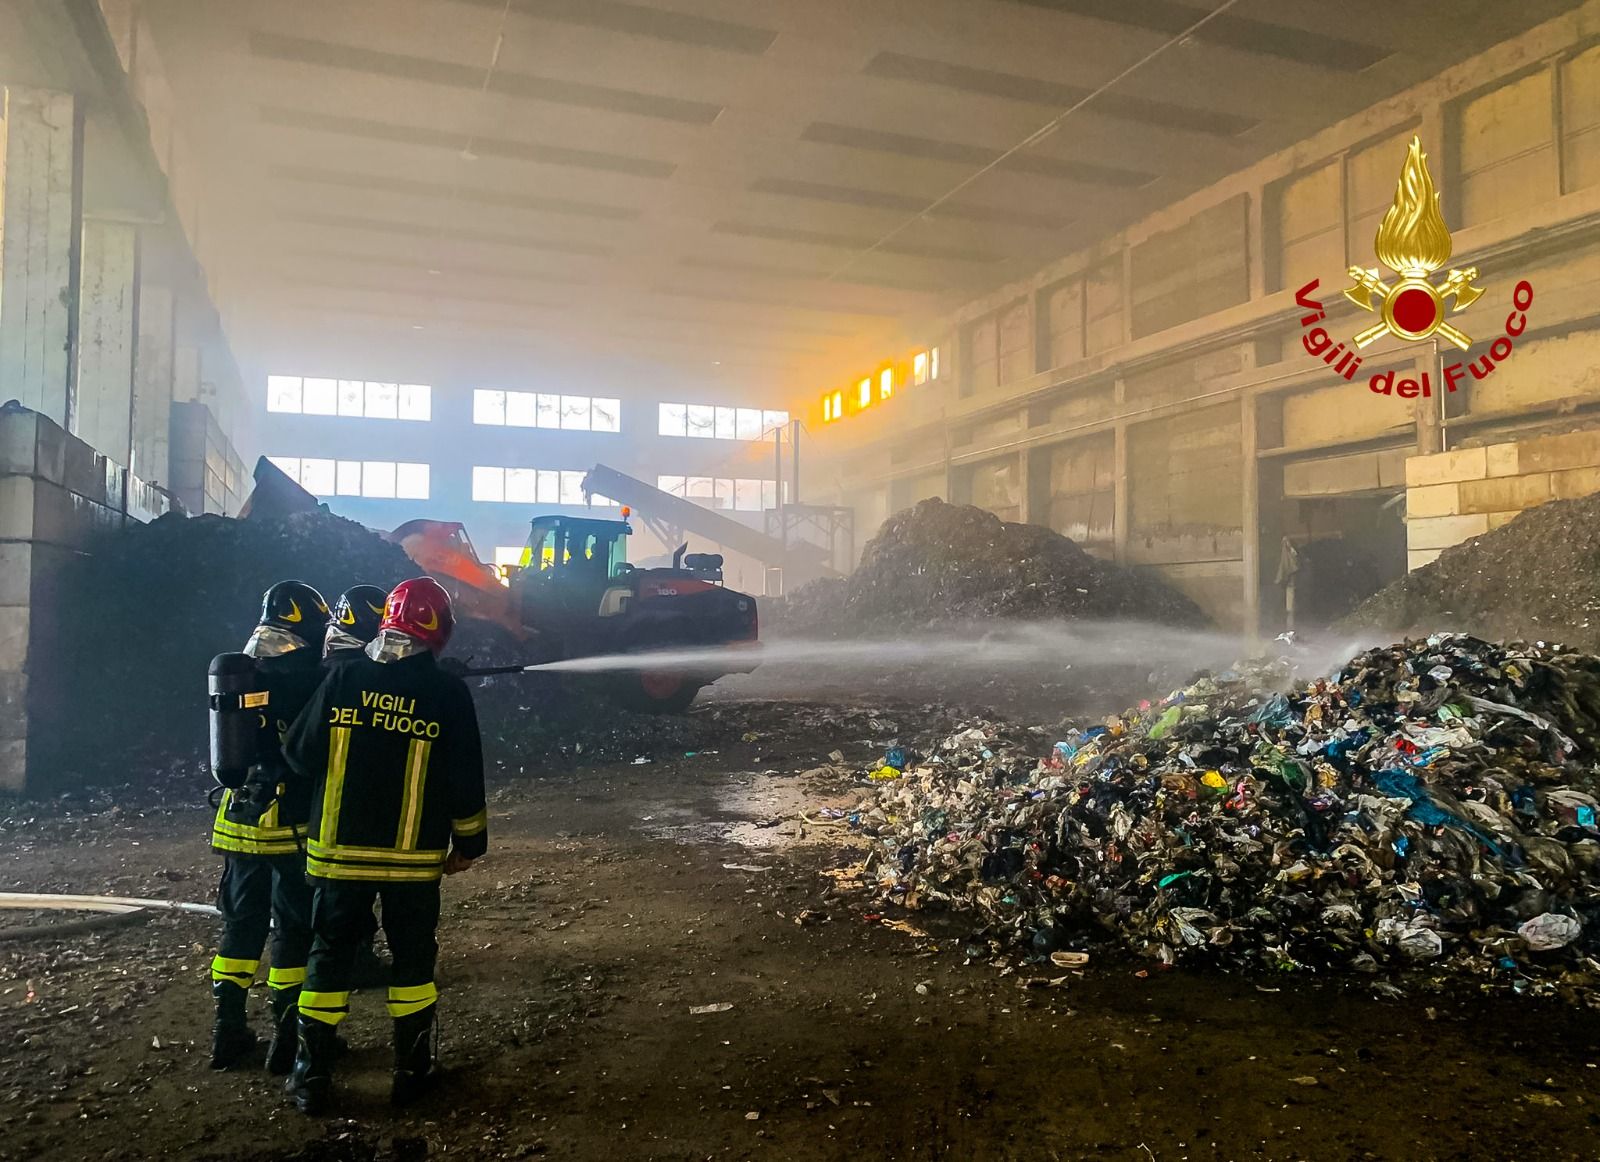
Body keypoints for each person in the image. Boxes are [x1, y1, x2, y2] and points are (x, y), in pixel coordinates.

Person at [282, 577, 487, 1115]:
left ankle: (311, 1077)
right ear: (439, 628)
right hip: (412, 861)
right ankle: (411, 1072)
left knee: (327, 957)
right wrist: (469, 843)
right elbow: (466, 777)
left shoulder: (343, 678)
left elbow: (299, 754)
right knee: (413, 961)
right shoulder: (448, 693)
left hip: (338, 855)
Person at [209, 580, 330, 1073]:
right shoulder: (306, 676)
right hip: (287, 822)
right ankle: (287, 1038)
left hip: (238, 816)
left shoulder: (240, 670)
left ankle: (227, 1030)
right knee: (293, 927)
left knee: (241, 925)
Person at [322, 584, 393, 987]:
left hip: (328, 803)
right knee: (348, 899)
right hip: (342, 802)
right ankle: (354, 964)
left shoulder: (331, 652)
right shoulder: (347, 665)